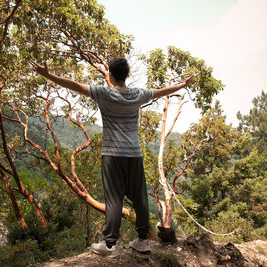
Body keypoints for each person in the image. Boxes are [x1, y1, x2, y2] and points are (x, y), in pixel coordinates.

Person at [30, 58, 196, 256]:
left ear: (110, 74)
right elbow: (162, 91)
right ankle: (143, 240)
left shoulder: (104, 93)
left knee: (114, 199)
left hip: (112, 155)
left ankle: (110, 245)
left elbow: (73, 85)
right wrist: (183, 85)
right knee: (140, 197)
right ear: (127, 75)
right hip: (134, 154)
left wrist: (48, 75)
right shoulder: (138, 94)